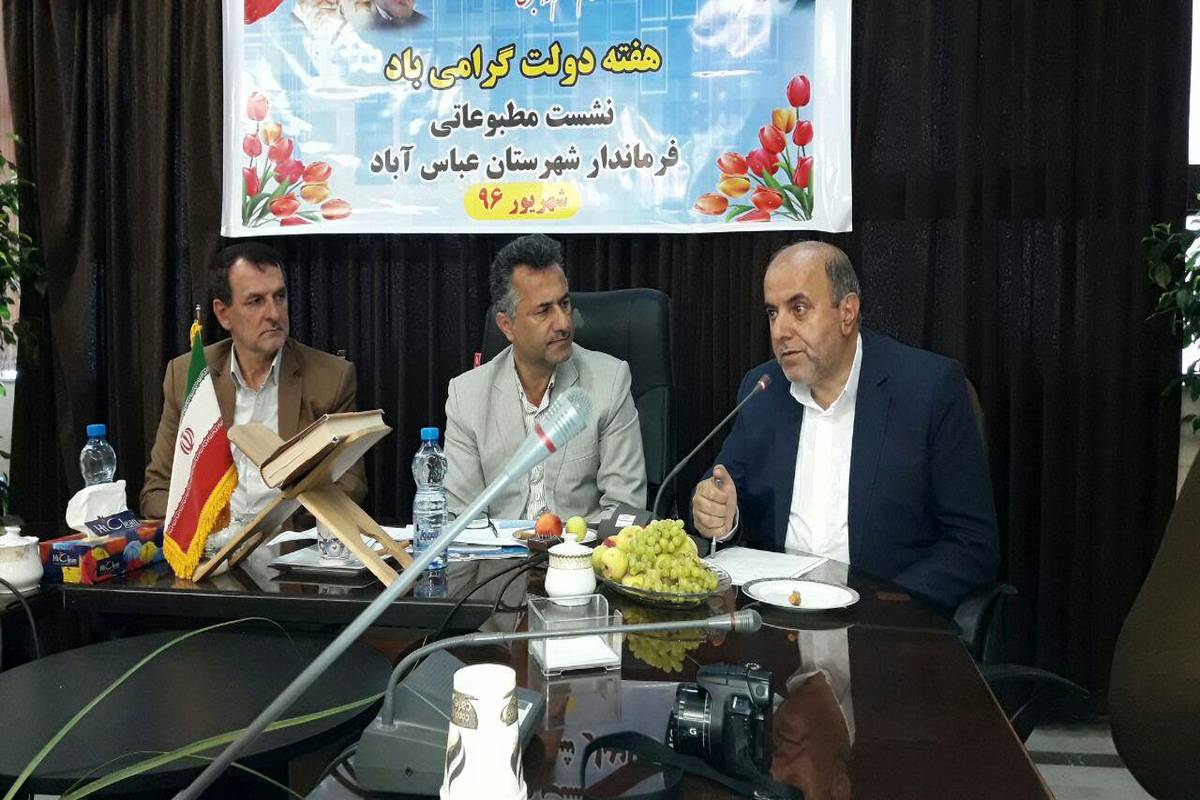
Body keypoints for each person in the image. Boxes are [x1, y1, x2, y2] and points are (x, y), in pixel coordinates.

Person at [691, 241, 998, 611]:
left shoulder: (928, 389)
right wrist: (719, 511)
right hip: (773, 614)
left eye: (798, 309)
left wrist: (884, 605)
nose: (780, 331)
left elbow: (972, 543)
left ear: (847, 312)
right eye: (773, 313)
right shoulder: (763, 391)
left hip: (882, 621)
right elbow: (724, 487)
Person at [140, 242, 366, 523]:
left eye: (279, 297)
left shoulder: (331, 378)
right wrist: (210, 527)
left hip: (289, 542)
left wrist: (276, 528)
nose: (274, 313)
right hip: (213, 541)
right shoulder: (189, 375)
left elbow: (349, 485)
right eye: (256, 301)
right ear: (223, 314)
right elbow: (157, 491)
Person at [444, 234, 646, 522]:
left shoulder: (610, 381)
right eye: (543, 311)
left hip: (583, 549)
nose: (564, 322)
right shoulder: (466, 396)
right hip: (497, 551)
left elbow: (625, 510)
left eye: (565, 304)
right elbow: (461, 517)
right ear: (507, 325)